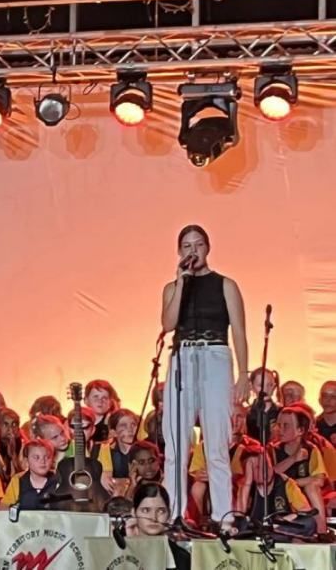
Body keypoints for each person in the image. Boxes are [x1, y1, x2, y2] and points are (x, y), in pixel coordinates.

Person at [160, 224, 249, 530]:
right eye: (186, 245)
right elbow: (168, 324)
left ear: (207, 248)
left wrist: (244, 374)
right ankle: (173, 514)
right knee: (175, 441)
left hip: (215, 355)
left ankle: (223, 516)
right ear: (179, 251)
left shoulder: (226, 284)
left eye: (198, 245)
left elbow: (238, 330)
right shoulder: (173, 288)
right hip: (182, 356)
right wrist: (181, 283)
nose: (192, 251)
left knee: (216, 444)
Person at [236, 444, 316, 539]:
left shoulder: (285, 482)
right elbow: (239, 518)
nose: (264, 470)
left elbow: (305, 511)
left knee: (308, 523)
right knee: (241, 527)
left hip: (279, 528)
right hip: (254, 531)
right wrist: (247, 484)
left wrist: (278, 522)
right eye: (257, 468)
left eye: (266, 464)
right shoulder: (245, 486)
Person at [271, 405, 329, 535]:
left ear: (300, 430)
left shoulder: (311, 449)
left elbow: (319, 479)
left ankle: (322, 532)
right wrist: (293, 459)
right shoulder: (272, 450)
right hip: (279, 497)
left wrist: (291, 483)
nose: (280, 429)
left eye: (286, 425)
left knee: (312, 487)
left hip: (302, 500)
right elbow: (270, 476)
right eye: (278, 424)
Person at [127, 482, 191, 570]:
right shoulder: (117, 552)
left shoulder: (182, 558)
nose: (153, 518)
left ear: (169, 514)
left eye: (161, 511)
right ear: (133, 513)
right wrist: (130, 545)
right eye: (146, 510)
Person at [0, 439, 59, 511]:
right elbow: (4, 507)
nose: (43, 461)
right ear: (26, 461)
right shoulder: (18, 480)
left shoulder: (59, 481)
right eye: (36, 457)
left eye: (47, 457)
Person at [98, 409, 140, 495]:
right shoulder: (106, 451)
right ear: (113, 432)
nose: (130, 429)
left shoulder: (143, 450)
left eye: (133, 424)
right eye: (123, 425)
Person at [247, 367, 280, 443]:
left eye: (269, 385)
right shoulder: (246, 413)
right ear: (251, 386)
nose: (265, 389)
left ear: (274, 386)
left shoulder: (281, 412)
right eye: (260, 385)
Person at [316, 381, 336, 445]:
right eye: (324, 395)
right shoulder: (313, 425)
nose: (328, 400)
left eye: (333, 396)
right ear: (320, 400)